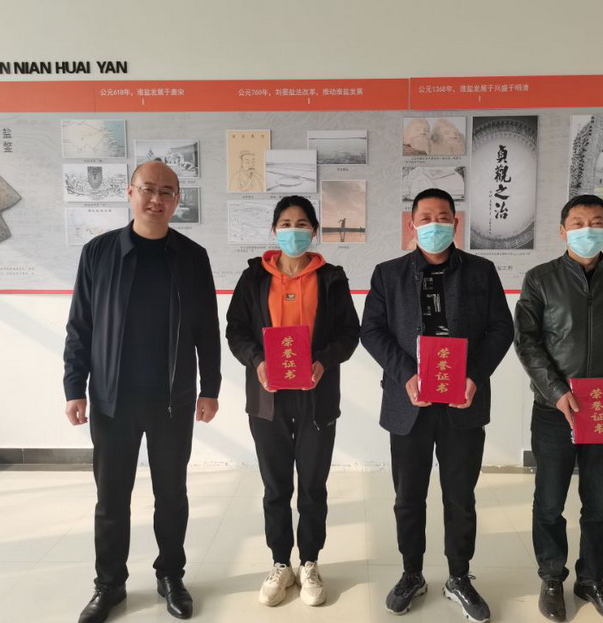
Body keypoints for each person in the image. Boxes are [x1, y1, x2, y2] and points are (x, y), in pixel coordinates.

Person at [63, 161, 221, 623]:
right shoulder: (99, 252)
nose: (157, 199)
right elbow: (80, 326)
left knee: (172, 494)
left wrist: (210, 387)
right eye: (148, 189)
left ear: (177, 200)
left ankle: (171, 575)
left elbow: (206, 329)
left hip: (172, 398)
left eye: (167, 192)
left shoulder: (192, 256)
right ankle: (109, 584)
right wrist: (74, 387)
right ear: (130, 193)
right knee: (112, 498)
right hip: (112, 399)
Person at [361, 188, 513, 621]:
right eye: (425, 217)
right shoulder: (388, 274)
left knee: (460, 496)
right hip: (408, 403)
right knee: (408, 497)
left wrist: (474, 375)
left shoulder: (481, 272)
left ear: (455, 223)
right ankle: (412, 573)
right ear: (412, 225)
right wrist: (406, 375)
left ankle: (459, 577)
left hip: (462, 402)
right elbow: (371, 331)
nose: (434, 224)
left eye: (443, 216)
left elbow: (501, 329)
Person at [513, 194, 603, 623]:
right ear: (562, 231)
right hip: (554, 408)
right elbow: (526, 340)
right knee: (549, 502)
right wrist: (556, 390)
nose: (587, 229)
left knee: (599, 503)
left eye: (596, 222)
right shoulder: (540, 279)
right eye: (577, 223)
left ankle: (592, 580)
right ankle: (551, 578)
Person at [225, 196, 360, 608]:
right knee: (275, 485)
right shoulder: (253, 278)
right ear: (274, 230)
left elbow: (349, 333)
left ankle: (310, 562)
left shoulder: (331, 278)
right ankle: (280, 562)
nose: (293, 230)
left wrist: (323, 361)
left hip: (316, 397)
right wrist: (257, 360)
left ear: (314, 231)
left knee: (313, 486)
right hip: (267, 399)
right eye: (285, 223)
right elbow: (235, 330)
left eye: (302, 224)